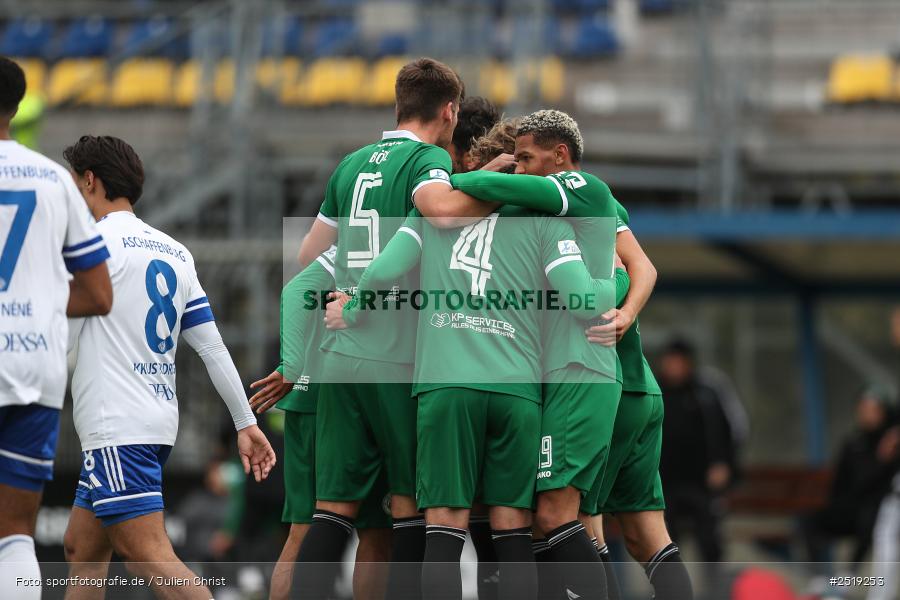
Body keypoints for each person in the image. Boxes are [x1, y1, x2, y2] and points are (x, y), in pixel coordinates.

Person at [327, 116, 627, 600]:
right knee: (512, 527)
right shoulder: (545, 221)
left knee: (444, 526)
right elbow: (580, 299)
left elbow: (385, 268)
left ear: (483, 164)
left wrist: (355, 307)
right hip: (518, 391)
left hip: (445, 386)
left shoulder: (432, 213)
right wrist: (620, 282)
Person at [59, 135, 276, 600]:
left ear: (90, 181)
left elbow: (63, 335)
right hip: (155, 421)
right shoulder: (173, 251)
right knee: (81, 547)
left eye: (76, 184)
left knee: (148, 554)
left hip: (116, 425)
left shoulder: (92, 246)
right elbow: (213, 348)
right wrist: (245, 421)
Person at [450, 109, 625, 600]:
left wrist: (467, 181)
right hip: (560, 373)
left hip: (581, 368)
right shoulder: (551, 219)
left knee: (554, 517)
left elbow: (612, 280)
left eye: (526, 158)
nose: (520, 168)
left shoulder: (584, 188)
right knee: (560, 521)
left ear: (561, 156)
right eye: (516, 158)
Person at [0, 56, 113, 600]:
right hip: (33, 363)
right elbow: (97, 293)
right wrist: (37, 300)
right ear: (18, 108)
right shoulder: (54, 180)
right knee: (15, 534)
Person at [248, 247, 392, 600]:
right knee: (377, 533)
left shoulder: (343, 250)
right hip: (354, 402)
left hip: (311, 399)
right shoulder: (387, 242)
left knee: (304, 530)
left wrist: (294, 364)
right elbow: (297, 287)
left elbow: (298, 284)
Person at [585, 202, 693, 600]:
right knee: (646, 536)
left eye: (527, 158)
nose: (522, 168)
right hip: (641, 386)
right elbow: (644, 266)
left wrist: (624, 312)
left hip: (604, 393)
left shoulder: (563, 201)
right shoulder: (602, 203)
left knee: (578, 524)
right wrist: (629, 313)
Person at [803, 385, 899, 569]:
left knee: (872, 520)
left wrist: (884, 458)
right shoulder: (854, 443)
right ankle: (822, 579)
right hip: (852, 508)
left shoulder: (891, 445)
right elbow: (843, 484)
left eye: (873, 410)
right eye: (863, 409)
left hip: (879, 513)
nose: (867, 415)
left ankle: (848, 578)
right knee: (811, 520)